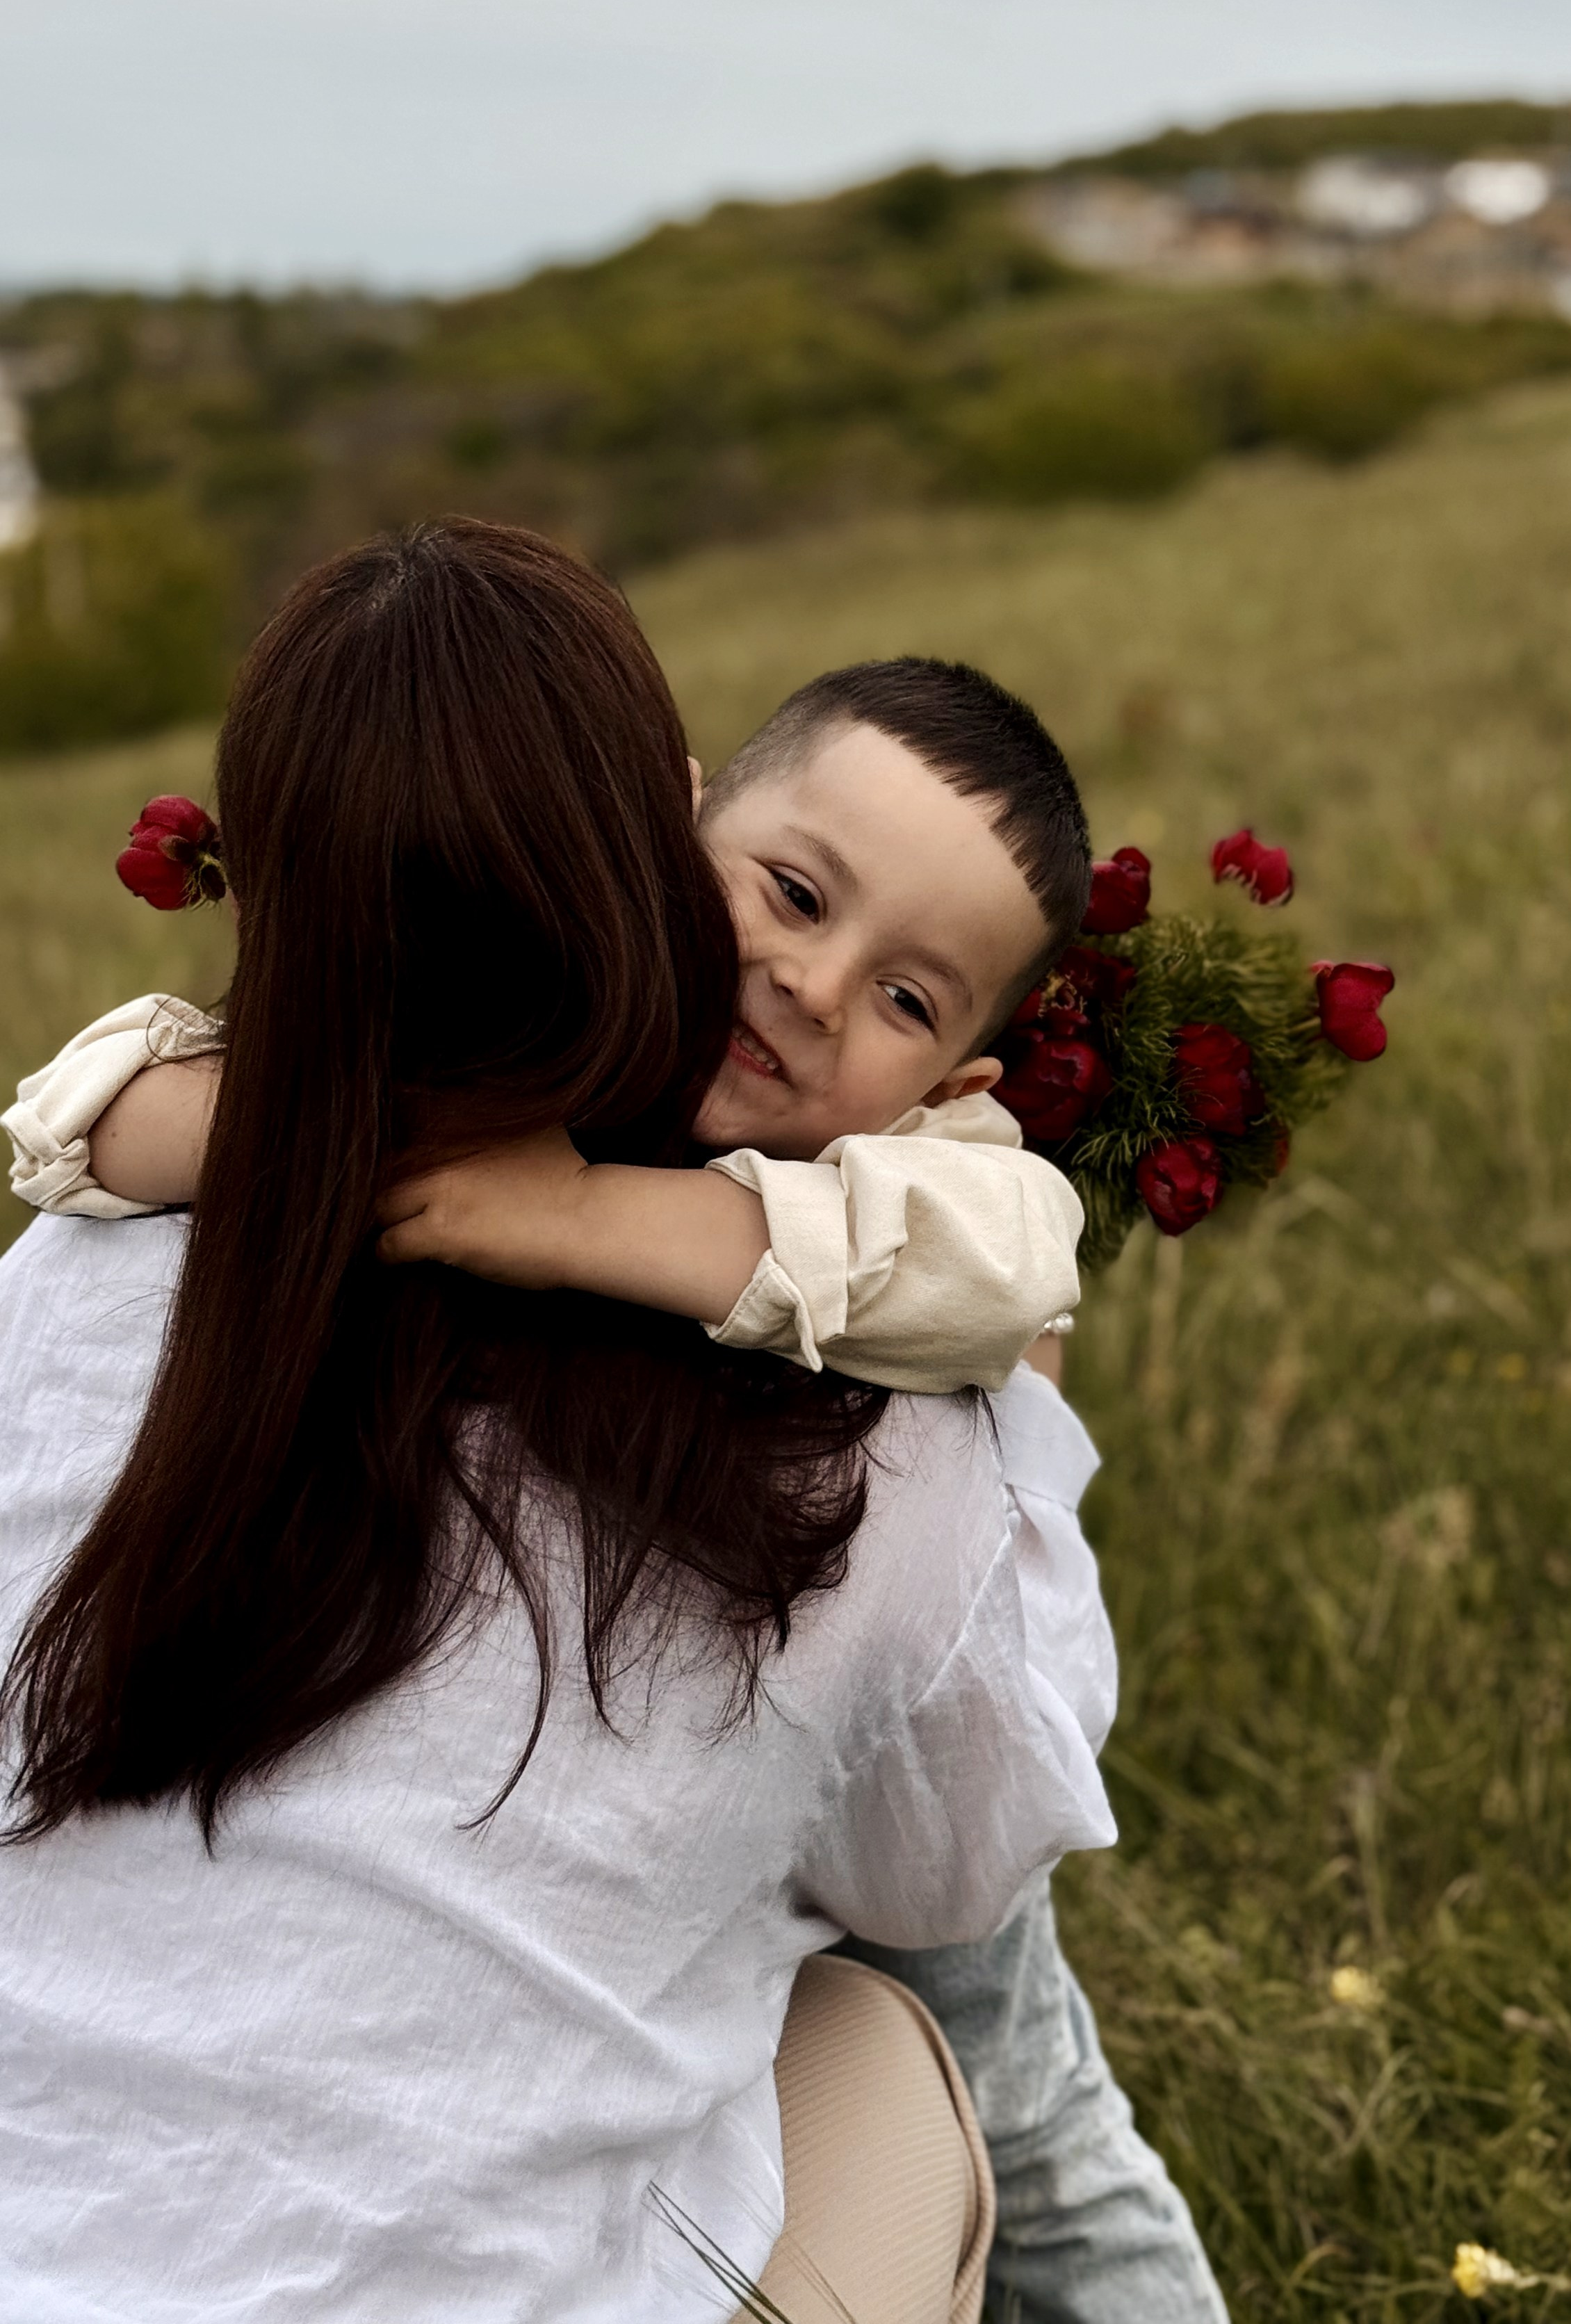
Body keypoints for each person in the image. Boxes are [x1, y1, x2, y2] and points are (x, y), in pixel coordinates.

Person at [8, 654, 1228, 2324]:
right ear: (671, 820)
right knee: (921, 1986)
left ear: (955, 1090)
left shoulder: (916, 1217)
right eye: (791, 893)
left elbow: (1017, 1264)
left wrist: (578, 1220)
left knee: (1013, 2056)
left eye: (908, 1001)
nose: (810, 984)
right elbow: (81, 1107)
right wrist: (334, 1148)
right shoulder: (446, 1079)